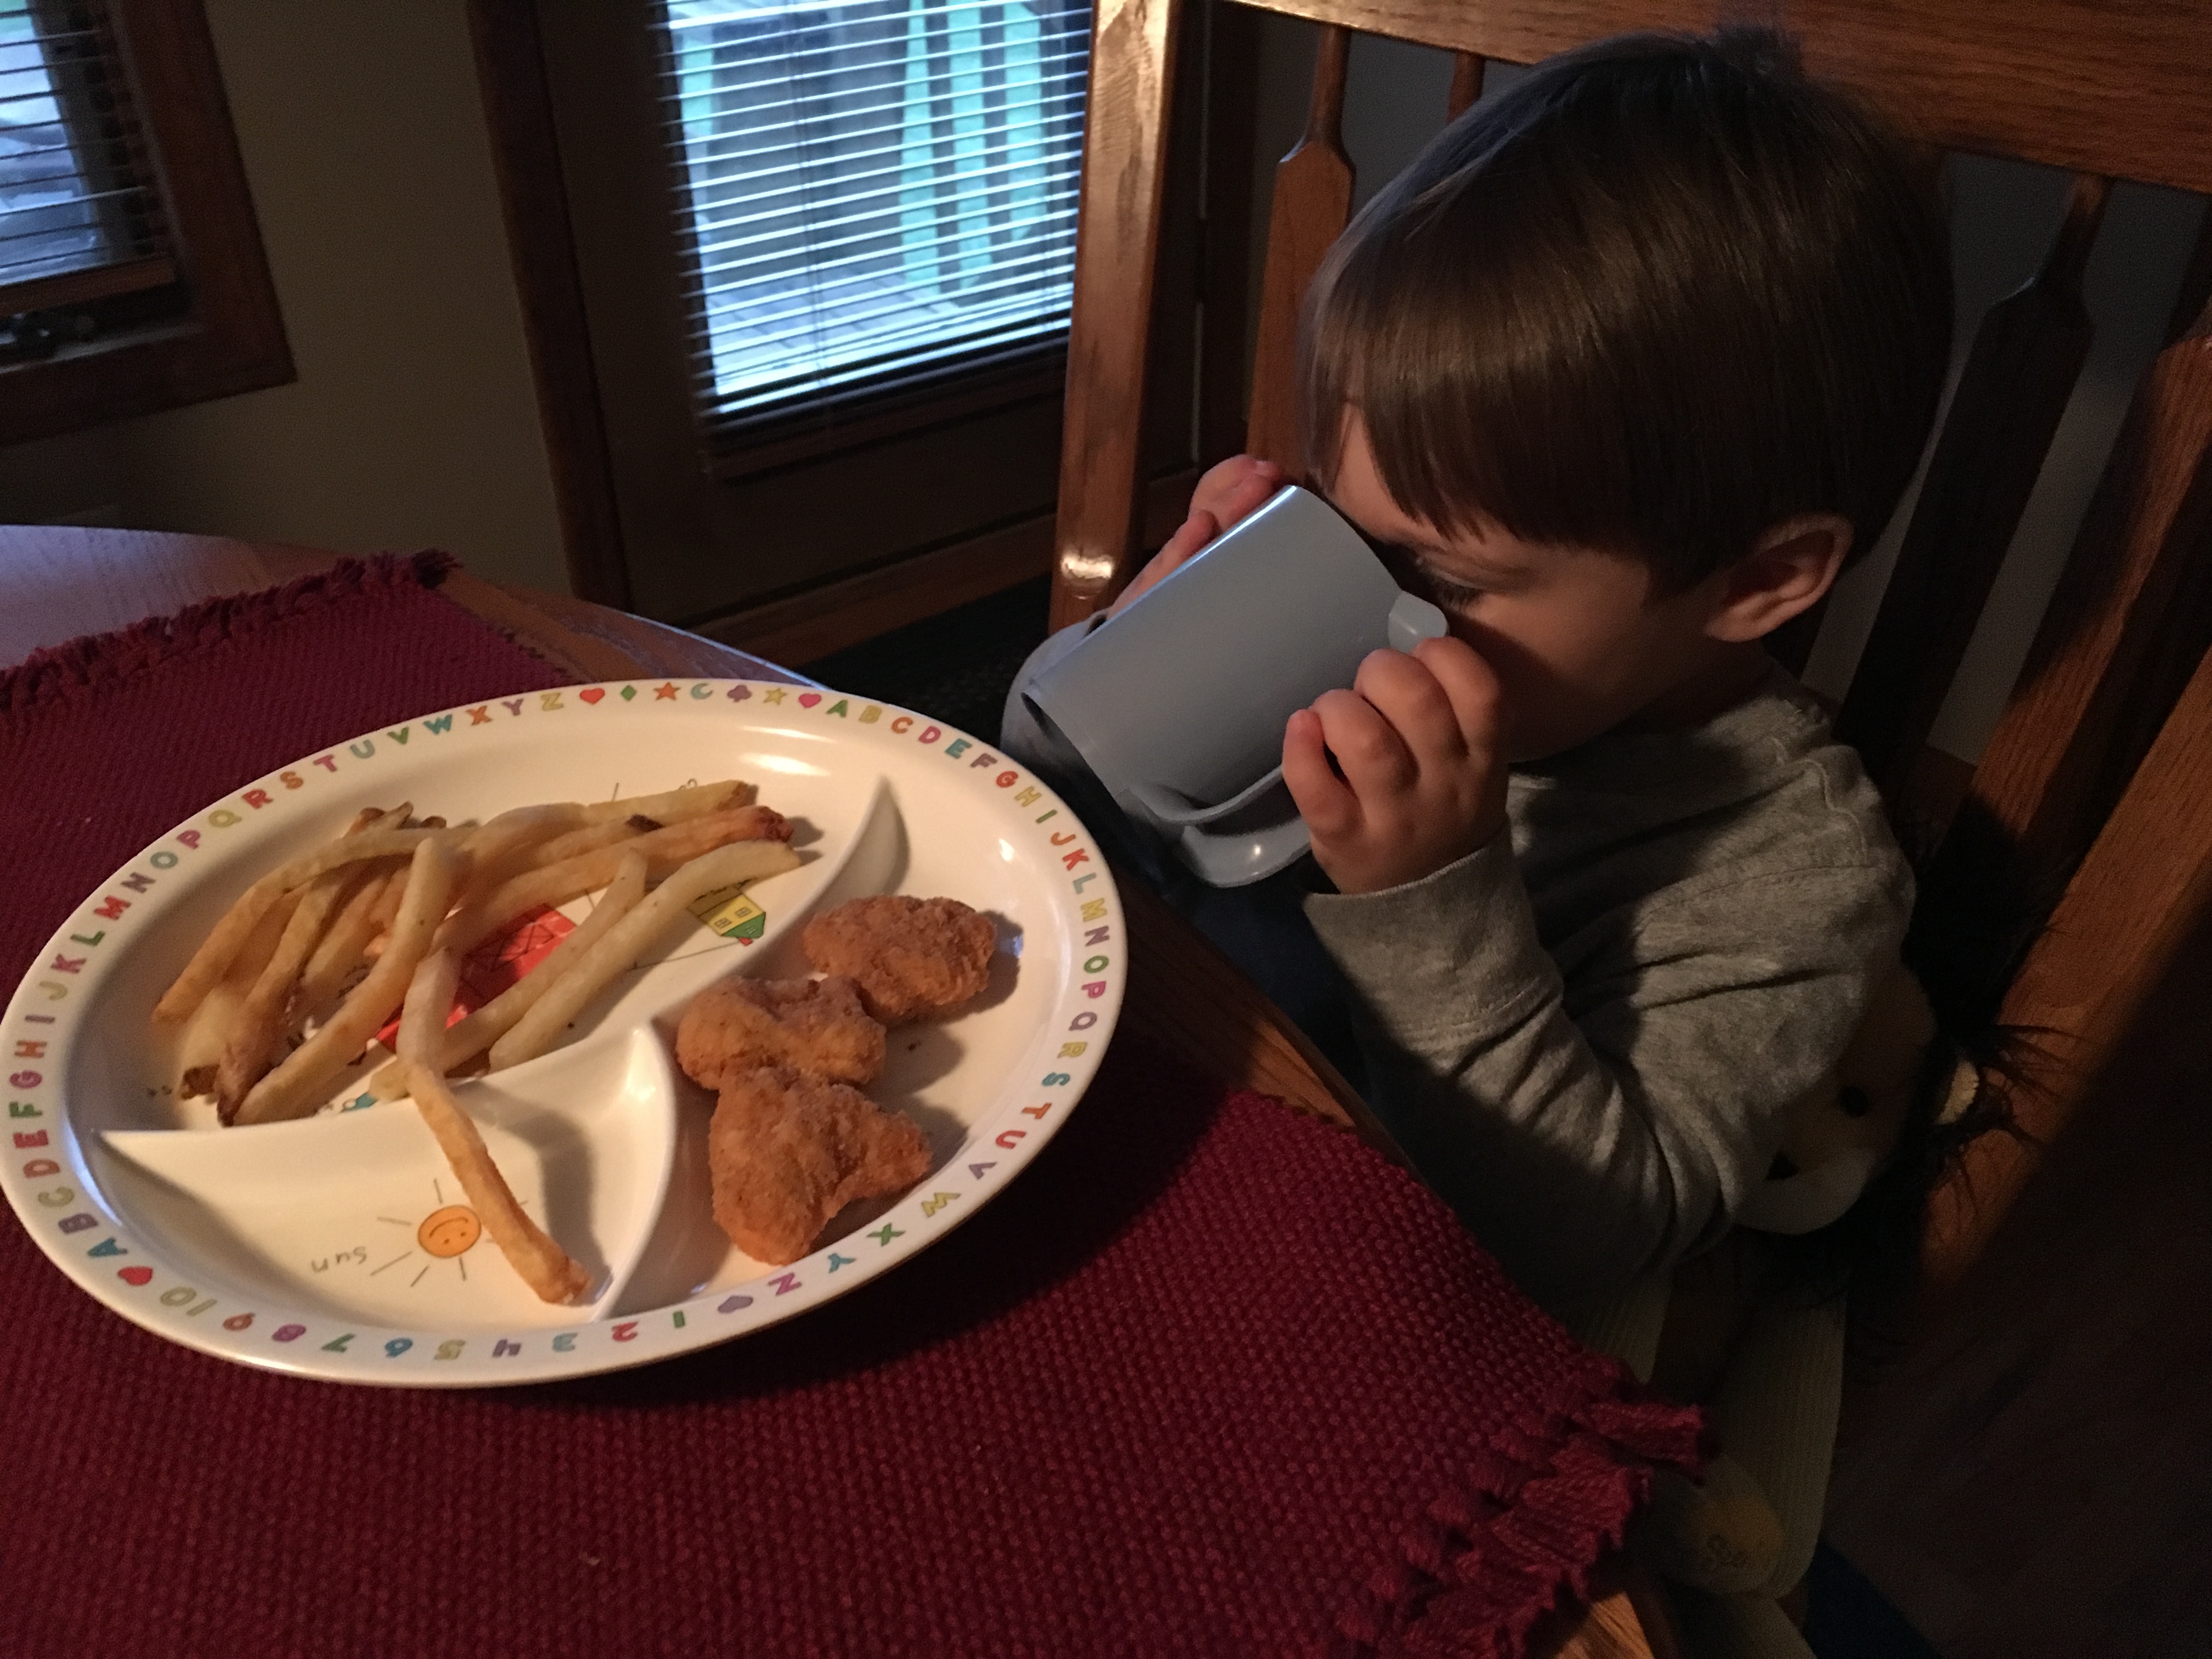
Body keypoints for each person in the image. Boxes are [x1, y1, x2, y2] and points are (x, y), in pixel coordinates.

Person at [1002, 28, 1952, 1314]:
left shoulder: (1794, 872)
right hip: (1158, 1120)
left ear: (1759, 582)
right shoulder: (1375, 635)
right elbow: (1044, 820)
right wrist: (1127, 658)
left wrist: (1433, 904)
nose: (1359, 587)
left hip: (1386, 1290)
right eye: (1339, 517)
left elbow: (1598, 1239)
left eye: (1446, 576)